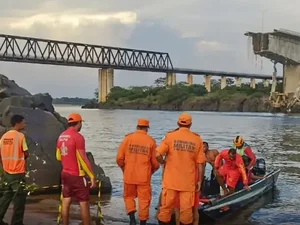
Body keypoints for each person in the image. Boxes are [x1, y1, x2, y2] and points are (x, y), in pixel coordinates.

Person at [156, 113, 205, 225]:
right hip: (187, 183)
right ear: (190, 124)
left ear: (178, 123)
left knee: (165, 209)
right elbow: (200, 164)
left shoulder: (170, 136)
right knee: (186, 212)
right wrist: (199, 181)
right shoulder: (197, 139)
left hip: (170, 181)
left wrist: (163, 162)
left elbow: (157, 155)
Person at [116, 119, 160, 225]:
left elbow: (119, 159)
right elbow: (155, 163)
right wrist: (151, 171)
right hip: (144, 177)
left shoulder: (127, 139)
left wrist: (124, 169)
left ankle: (132, 219)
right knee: (144, 200)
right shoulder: (151, 141)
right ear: (147, 128)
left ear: (137, 127)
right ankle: (143, 222)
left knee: (128, 197)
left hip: (129, 175)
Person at [56, 113, 96, 225]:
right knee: (84, 203)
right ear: (78, 123)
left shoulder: (61, 136)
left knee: (66, 200)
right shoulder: (78, 137)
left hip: (65, 173)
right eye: (81, 123)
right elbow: (83, 159)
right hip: (77, 175)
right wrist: (92, 176)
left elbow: (58, 156)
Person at [0, 115, 28, 225]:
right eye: (23, 122)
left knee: (7, 196)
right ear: (17, 123)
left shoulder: (4, 137)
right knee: (20, 199)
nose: (24, 124)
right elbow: (25, 152)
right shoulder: (20, 136)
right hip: (17, 172)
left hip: (7, 171)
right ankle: (17, 222)